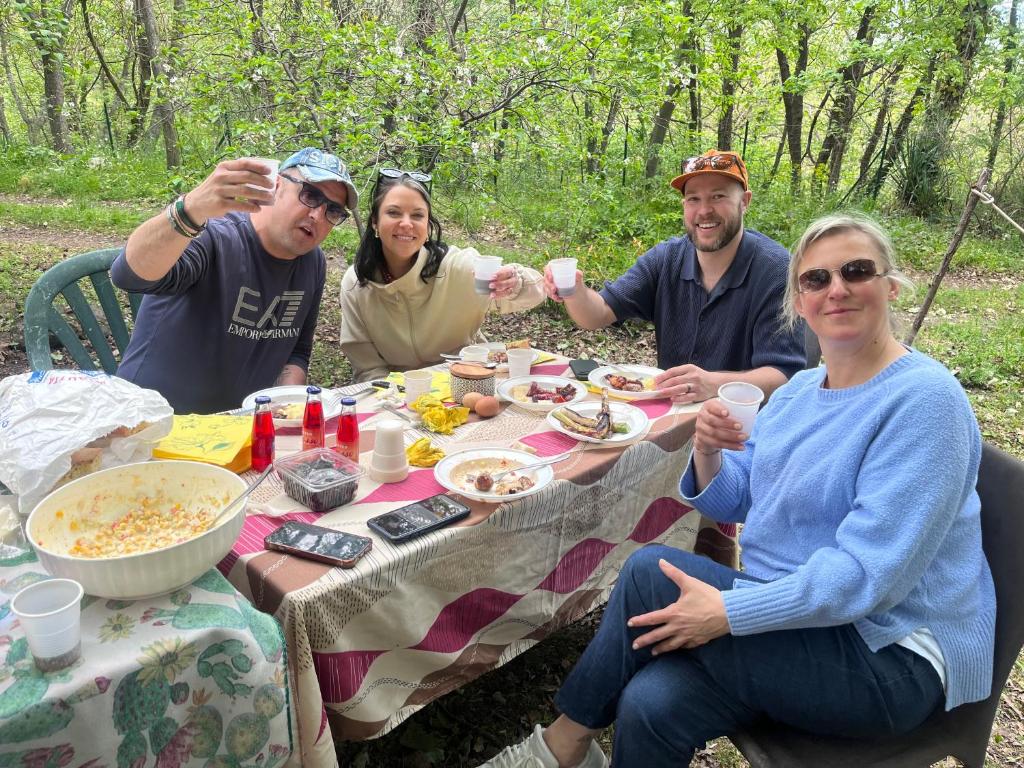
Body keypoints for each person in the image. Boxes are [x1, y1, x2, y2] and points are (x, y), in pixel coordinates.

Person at [483, 214, 995, 768]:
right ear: (798, 303)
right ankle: (571, 747)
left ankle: (561, 745)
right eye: (816, 279)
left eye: (856, 271)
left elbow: (868, 577)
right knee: (651, 704)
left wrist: (731, 610)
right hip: (798, 619)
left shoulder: (924, 401)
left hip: (890, 654)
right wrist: (707, 452)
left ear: (889, 287)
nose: (837, 289)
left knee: (649, 574)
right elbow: (737, 498)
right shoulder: (799, 392)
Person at [545, 150, 805, 403]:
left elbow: (785, 375)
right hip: (671, 414)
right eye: (693, 199)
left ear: (744, 201)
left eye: (718, 196)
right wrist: (574, 290)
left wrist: (713, 384)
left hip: (742, 424)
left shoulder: (775, 270)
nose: (704, 210)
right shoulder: (666, 259)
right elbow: (596, 314)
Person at [111, 148, 357, 414]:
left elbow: (297, 352)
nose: (317, 215)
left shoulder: (312, 262)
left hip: (240, 427)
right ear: (276, 186)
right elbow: (128, 275)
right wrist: (189, 210)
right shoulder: (214, 235)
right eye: (310, 195)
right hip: (150, 420)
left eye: (333, 210)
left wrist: (288, 406)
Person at [340, 169, 545, 382]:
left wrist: (515, 282)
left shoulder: (457, 267)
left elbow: (536, 293)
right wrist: (398, 394)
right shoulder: (356, 284)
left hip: (468, 381)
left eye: (417, 215)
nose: (406, 223)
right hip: (399, 392)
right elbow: (368, 369)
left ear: (428, 226)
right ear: (375, 221)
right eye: (394, 213)